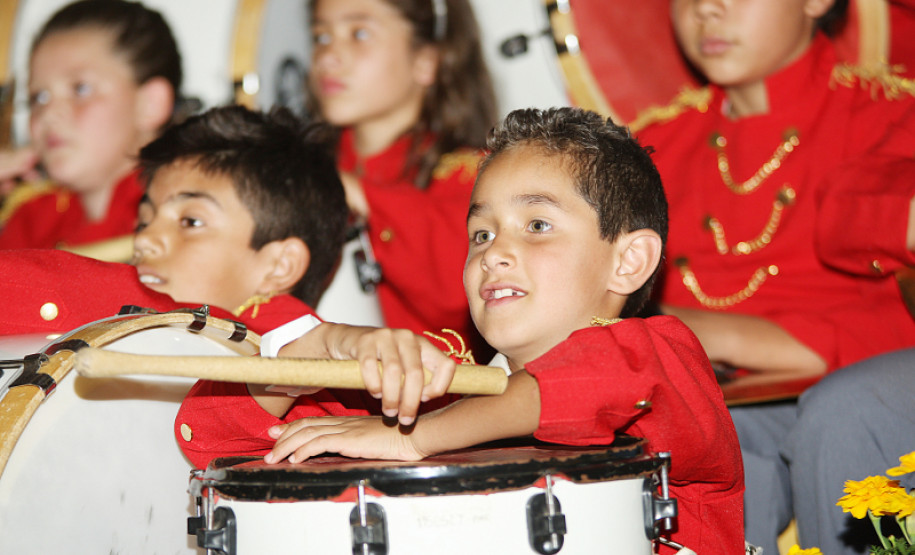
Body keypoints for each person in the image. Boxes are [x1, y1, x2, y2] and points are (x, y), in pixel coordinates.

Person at [261, 107, 745, 554]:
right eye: (482, 234)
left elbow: (588, 381)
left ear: (628, 261)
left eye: (537, 224)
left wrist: (414, 439)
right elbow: (228, 440)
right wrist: (331, 341)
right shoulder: (449, 382)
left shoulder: (661, 354)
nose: (493, 253)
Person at [633, 0, 915, 553]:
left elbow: (863, 220)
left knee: (844, 416)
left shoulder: (889, 114)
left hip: (852, 391)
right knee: (687, 436)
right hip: (742, 401)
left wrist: (676, 326)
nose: (706, 10)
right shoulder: (655, 146)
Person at [0, 104, 347, 339]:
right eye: (144, 221)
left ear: (279, 267)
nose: (145, 240)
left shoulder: (302, 379)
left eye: (191, 222)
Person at [306, 0, 497, 352]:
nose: (328, 56)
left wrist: (360, 195)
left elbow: (459, 293)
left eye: (359, 33)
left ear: (426, 61)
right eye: (320, 36)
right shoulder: (305, 163)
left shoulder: (478, 175)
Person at [0, 0, 180, 253]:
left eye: (80, 89)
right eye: (38, 97)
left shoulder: (187, 223)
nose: (49, 114)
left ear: (150, 104)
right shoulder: (30, 220)